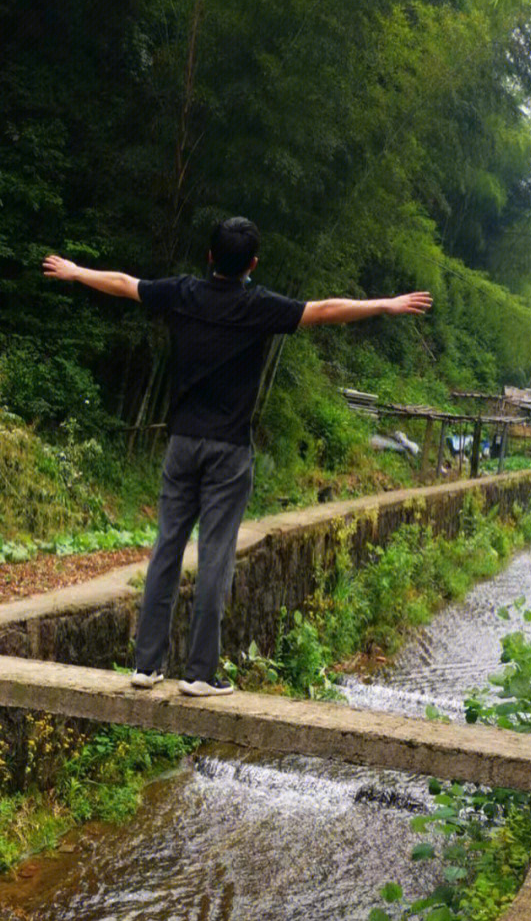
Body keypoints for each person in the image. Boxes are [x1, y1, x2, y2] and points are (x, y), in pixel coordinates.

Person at [43, 217, 431, 696]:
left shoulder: (183, 293)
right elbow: (326, 310)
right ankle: (200, 674)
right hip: (229, 452)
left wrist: (77, 271)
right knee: (215, 559)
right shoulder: (257, 306)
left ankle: (146, 666)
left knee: (166, 548)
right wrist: (385, 305)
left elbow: (125, 284)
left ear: (209, 257)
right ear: (251, 264)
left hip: (181, 444)